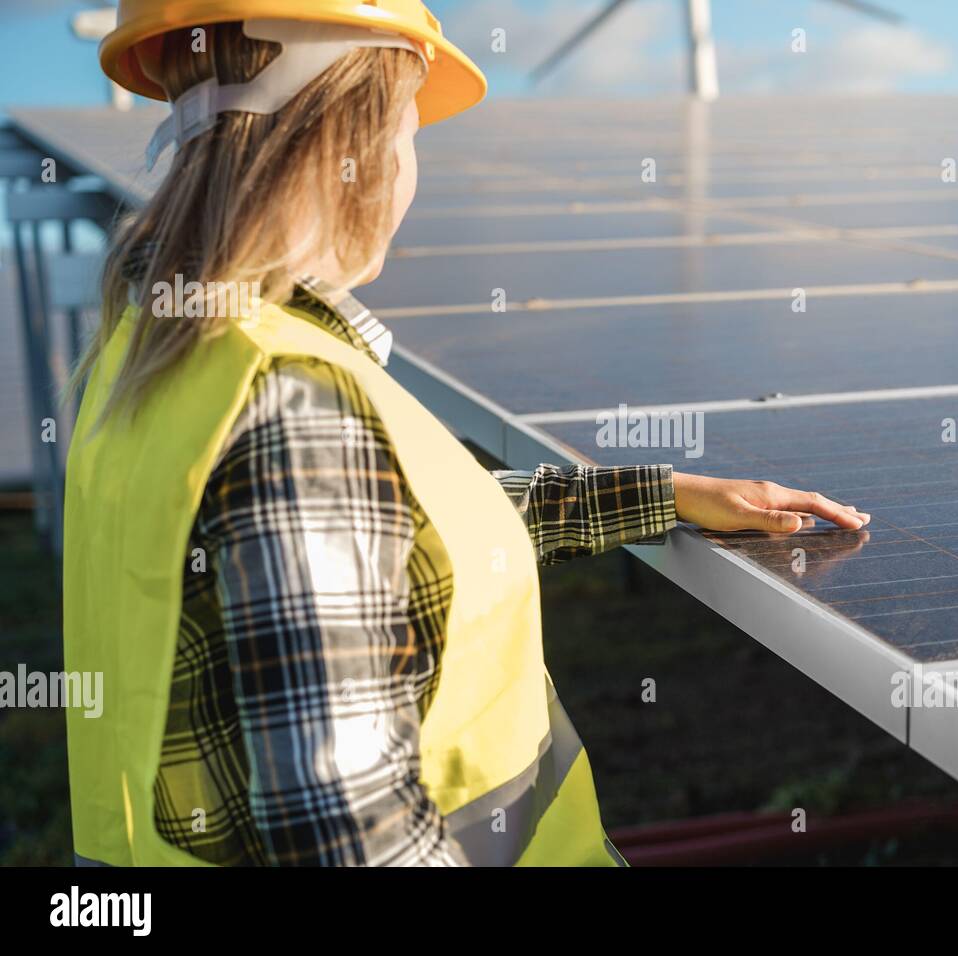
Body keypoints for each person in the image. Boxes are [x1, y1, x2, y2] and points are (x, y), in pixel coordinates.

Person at [62, 0, 870, 867]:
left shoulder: (159, 353)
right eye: (411, 129)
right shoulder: (293, 411)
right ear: (354, 136)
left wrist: (658, 497)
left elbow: (392, 537)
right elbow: (351, 837)